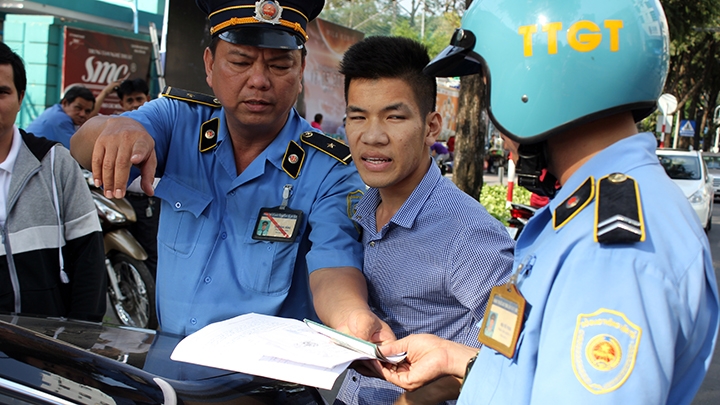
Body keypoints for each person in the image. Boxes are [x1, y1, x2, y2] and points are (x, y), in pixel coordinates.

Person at [377, 0, 720, 404]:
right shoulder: (602, 212)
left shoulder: (608, 255)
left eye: (488, 81)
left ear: (537, 82)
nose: (489, 109)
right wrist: (458, 359)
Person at [70, 0, 389, 340]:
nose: (258, 80)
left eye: (280, 66)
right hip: (169, 370)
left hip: (264, 383)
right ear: (210, 65)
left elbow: (334, 263)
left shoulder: (330, 169)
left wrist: (352, 318)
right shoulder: (178, 121)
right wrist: (117, 127)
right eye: (240, 61)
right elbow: (81, 146)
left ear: (301, 72)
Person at [335, 36, 514, 405]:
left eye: (394, 117)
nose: (372, 136)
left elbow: (510, 354)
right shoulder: (362, 208)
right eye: (358, 117)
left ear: (432, 126)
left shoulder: (467, 233)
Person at [0, 42, 106, 321]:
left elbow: (89, 260)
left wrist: (79, 343)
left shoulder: (55, 162)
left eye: (2, 92)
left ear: (20, 97)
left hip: (50, 349)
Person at [114, 78, 160, 278]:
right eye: (129, 100)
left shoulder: (159, 127)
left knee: (151, 254)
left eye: (139, 99)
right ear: (121, 104)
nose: (135, 104)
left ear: (148, 99)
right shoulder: (114, 130)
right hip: (122, 201)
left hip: (150, 202)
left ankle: (153, 301)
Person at [26, 85, 95, 148]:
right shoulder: (61, 120)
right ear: (64, 103)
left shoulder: (55, 110)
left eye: (87, 111)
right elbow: (76, 152)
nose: (82, 114)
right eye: (78, 108)